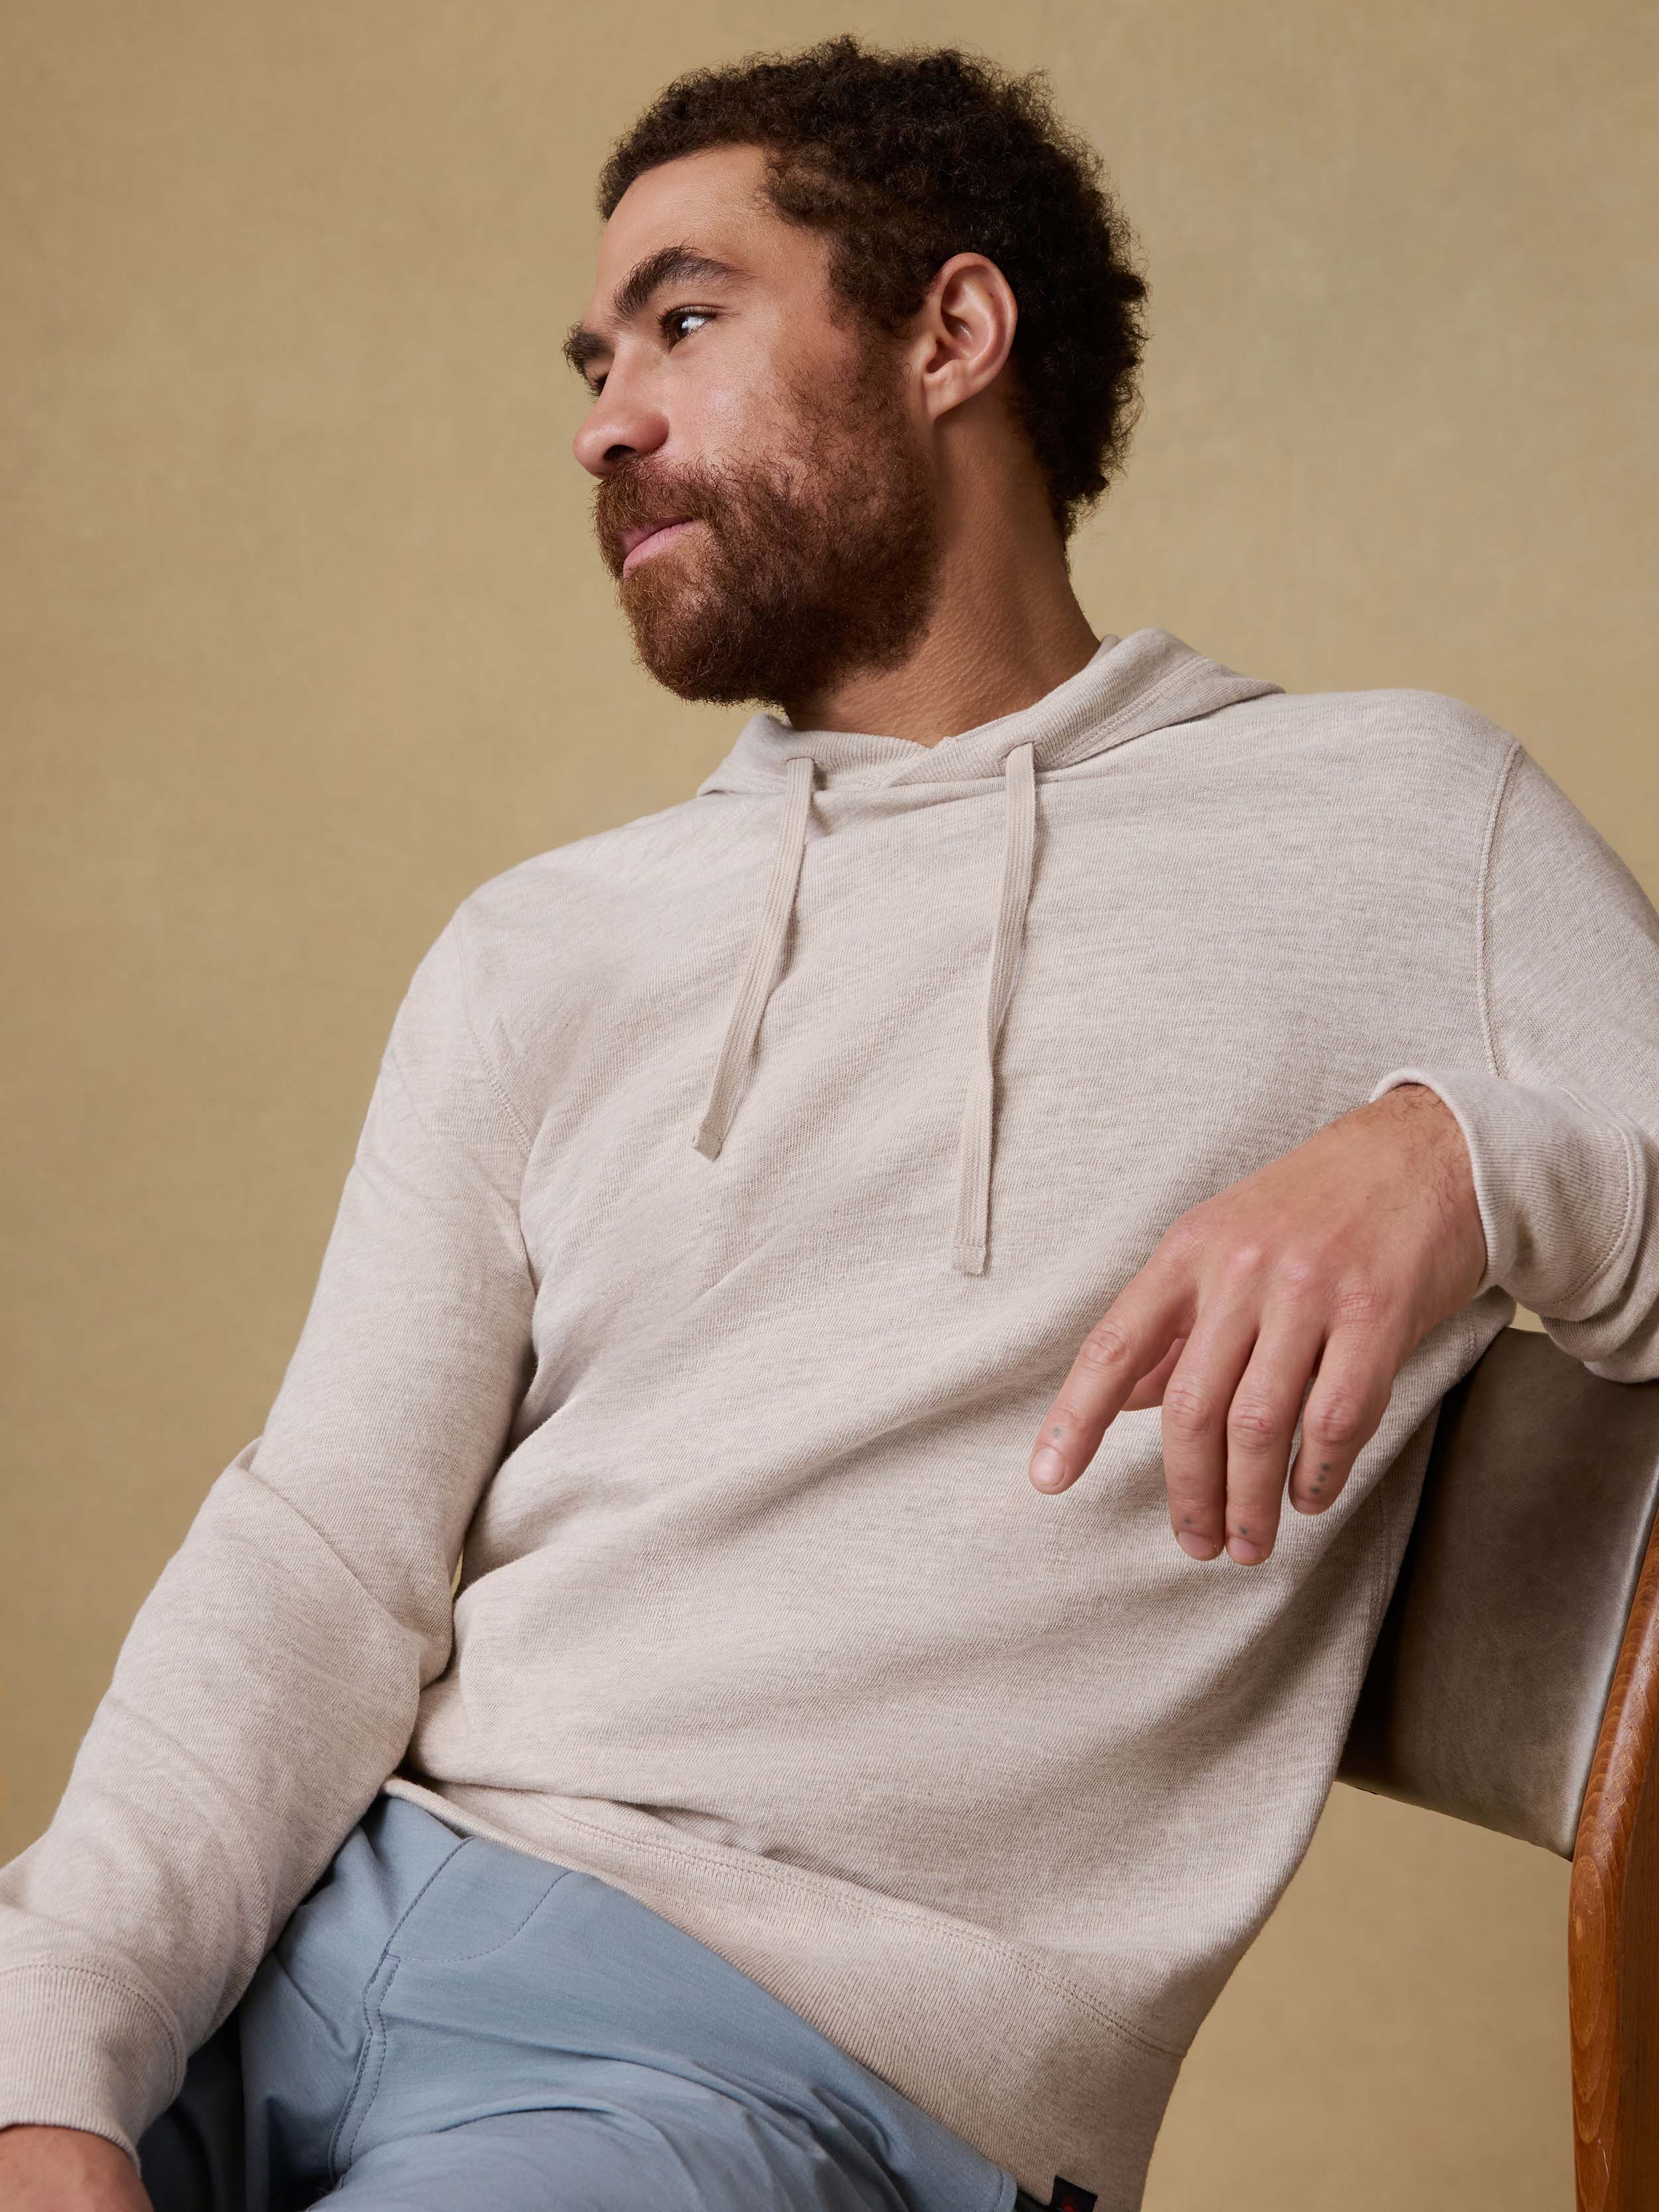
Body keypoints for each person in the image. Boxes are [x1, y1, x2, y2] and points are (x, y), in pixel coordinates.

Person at [3, 33, 1656, 2212]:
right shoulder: (545, 947)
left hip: (758, 2088)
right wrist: (55, 2071)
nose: (604, 416)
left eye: (684, 321)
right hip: (295, 1938)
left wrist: (1457, 1159)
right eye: (593, 358)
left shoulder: (1401, 821)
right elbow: (317, 1557)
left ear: (951, 334)